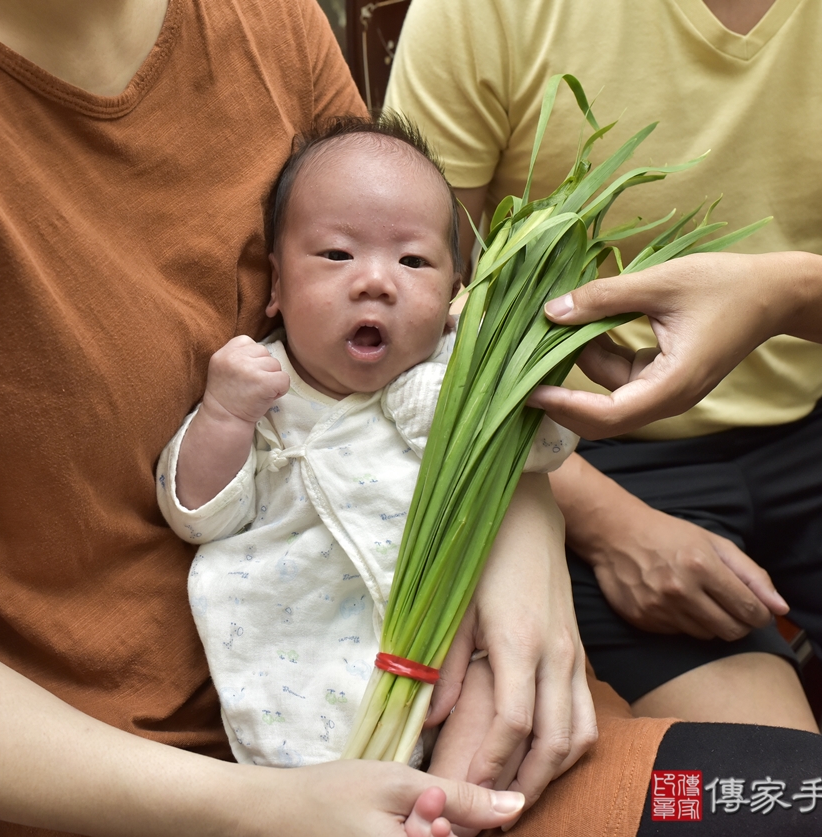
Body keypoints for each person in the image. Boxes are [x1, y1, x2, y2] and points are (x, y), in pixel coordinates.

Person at [0, 0, 822, 834]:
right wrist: (256, 812)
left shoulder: (259, 15)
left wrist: (518, 569)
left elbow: (446, 366)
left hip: (436, 695)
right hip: (177, 780)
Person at [387, 0, 822, 800]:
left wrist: (784, 289)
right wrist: (609, 525)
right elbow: (405, 323)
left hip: (812, 422)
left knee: (784, 802)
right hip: (562, 453)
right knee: (775, 798)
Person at [156, 116, 577, 769]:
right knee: (320, 770)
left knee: (493, 719)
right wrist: (223, 415)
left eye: (412, 261)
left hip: (454, 652)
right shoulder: (264, 390)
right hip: (304, 663)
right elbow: (198, 512)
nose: (376, 280)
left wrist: (487, 391)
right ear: (275, 285)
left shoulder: (449, 383)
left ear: (452, 294)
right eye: (335, 255)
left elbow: (547, 447)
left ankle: (451, 802)